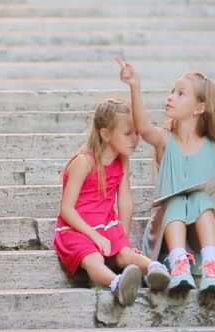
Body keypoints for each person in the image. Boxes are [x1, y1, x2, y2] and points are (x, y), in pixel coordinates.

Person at [115, 56, 215, 293]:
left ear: (199, 108)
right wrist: (135, 86)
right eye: (172, 91)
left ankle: (212, 264)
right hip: (166, 232)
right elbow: (143, 128)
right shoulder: (165, 140)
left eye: (181, 93)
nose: (171, 96)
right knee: (176, 200)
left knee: (200, 198)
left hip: (202, 234)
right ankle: (178, 263)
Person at [53, 97, 171, 306]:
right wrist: (94, 236)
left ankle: (155, 270)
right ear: (106, 134)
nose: (135, 139)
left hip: (107, 225)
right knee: (93, 259)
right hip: (77, 228)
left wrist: (122, 240)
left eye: (136, 132)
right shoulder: (83, 161)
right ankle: (117, 283)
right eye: (128, 133)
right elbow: (67, 209)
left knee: (126, 254)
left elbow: (126, 203)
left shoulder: (122, 158)